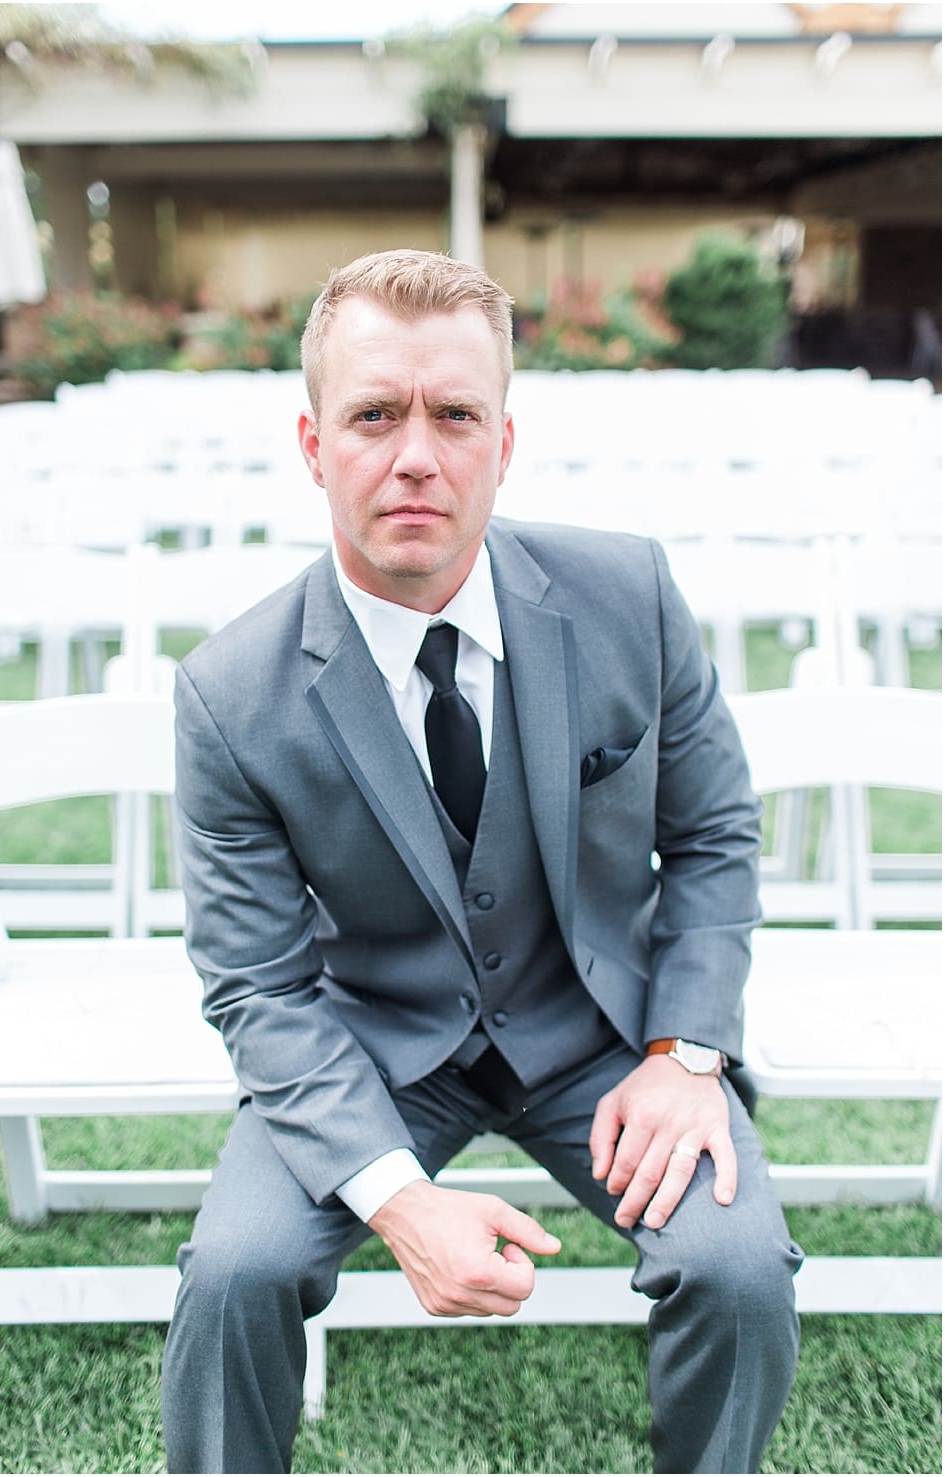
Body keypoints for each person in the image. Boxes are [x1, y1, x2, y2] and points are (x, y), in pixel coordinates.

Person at [160, 249, 802, 1474]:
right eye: (373, 415)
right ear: (312, 443)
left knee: (737, 1270)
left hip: (611, 1031)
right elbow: (256, 987)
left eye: (456, 415)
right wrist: (399, 1199)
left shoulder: (632, 596)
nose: (416, 455)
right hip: (373, 1048)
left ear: (504, 441)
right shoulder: (230, 695)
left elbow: (714, 834)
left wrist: (686, 1054)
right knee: (234, 1274)